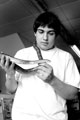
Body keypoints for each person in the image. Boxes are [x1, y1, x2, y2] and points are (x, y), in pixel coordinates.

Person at [0, 11, 80, 120]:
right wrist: (10, 74)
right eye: (41, 31)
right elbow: (11, 90)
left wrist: (52, 80)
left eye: (50, 33)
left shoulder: (66, 57)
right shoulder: (21, 53)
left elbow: (73, 95)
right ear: (35, 32)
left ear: (56, 35)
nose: (45, 38)